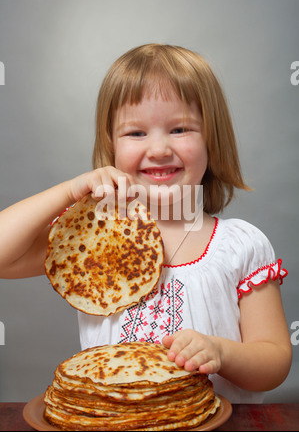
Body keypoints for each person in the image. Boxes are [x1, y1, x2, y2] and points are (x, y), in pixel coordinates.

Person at [0, 44, 292, 403]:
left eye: (180, 129)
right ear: (111, 144)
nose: (158, 149)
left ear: (212, 140)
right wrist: (68, 190)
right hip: (114, 426)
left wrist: (222, 352)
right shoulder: (91, 241)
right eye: (136, 133)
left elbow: (275, 360)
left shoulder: (239, 245)